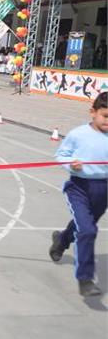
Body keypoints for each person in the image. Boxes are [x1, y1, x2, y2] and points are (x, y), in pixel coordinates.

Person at [49, 92, 108, 297]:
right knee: (88, 230)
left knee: (84, 226)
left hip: (104, 189)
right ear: (93, 112)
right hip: (79, 188)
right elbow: (61, 155)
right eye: (105, 116)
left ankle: (61, 240)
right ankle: (85, 278)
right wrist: (71, 164)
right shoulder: (78, 134)